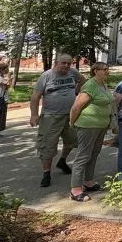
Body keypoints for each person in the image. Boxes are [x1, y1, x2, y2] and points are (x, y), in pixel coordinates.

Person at [30, 53, 86, 188]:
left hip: (70, 115)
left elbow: (83, 81)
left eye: (69, 63)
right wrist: (34, 115)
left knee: (72, 141)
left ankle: (62, 161)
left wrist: (77, 92)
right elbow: (35, 97)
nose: (66, 66)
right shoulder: (47, 76)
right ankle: (46, 173)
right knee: (47, 146)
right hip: (51, 116)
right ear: (57, 63)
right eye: (63, 63)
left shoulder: (73, 73)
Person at [68, 62, 112, 202]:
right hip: (88, 126)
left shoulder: (103, 85)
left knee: (94, 153)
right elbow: (76, 107)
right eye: (104, 69)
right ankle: (75, 189)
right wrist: (72, 122)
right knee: (83, 156)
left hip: (100, 126)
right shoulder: (90, 85)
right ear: (95, 71)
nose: (107, 72)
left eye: (107, 69)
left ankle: (88, 181)